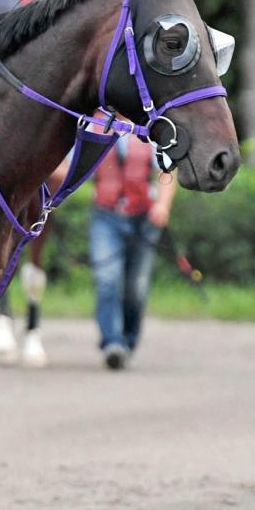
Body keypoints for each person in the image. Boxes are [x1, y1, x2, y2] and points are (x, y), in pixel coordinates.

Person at [90, 134, 177, 370]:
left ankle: (128, 341)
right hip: (106, 216)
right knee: (107, 279)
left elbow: (168, 170)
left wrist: (162, 205)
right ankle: (112, 343)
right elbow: (66, 165)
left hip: (143, 218)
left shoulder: (153, 131)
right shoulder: (94, 127)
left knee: (136, 289)